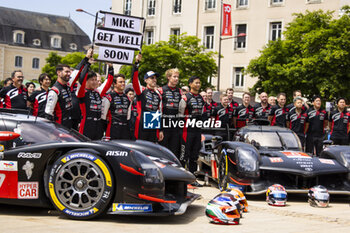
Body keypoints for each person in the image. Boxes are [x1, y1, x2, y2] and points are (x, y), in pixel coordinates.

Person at [76, 49, 114, 140]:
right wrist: (88, 63)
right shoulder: (81, 92)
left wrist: (111, 67)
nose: (95, 82)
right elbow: (81, 78)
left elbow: (108, 82)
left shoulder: (98, 92)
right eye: (92, 80)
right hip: (86, 125)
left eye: (95, 80)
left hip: (98, 125)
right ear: (86, 81)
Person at [45, 53, 87, 128]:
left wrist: (86, 59)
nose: (69, 74)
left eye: (69, 72)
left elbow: (76, 72)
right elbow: (48, 112)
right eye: (66, 72)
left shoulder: (67, 85)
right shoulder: (54, 91)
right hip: (59, 127)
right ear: (59, 73)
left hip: (69, 125)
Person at [179, 76, 205, 186]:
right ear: (190, 84)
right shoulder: (185, 98)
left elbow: (202, 113)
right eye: (196, 83)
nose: (198, 85)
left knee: (194, 156)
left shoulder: (201, 98)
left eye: (199, 83)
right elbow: (180, 114)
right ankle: (182, 179)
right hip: (187, 130)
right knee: (184, 156)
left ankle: (193, 179)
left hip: (197, 130)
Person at [132, 54, 163, 143]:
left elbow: (159, 112)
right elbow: (134, 80)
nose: (154, 80)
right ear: (146, 80)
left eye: (155, 78)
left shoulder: (158, 95)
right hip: (141, 125)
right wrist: (136, 64)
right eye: (152, 78)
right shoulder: (141, 90)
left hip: (153, 125)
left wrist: (160, 130)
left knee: (152, 150)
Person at [158, 68, 182, 158]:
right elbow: (158, 110)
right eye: (174, 77)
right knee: (163, 151)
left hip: (175, 126)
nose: (176, 79)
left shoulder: (179, 91)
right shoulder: (161, 90)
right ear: (168, 77)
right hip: (164, 125)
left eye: (177, 77)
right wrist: (160, 129)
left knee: (174, 151)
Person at [101, 74, 131, 140]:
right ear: (114, 84)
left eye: (124, 82)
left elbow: (128, 117)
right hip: (112, 129)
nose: (123, 84)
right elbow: (103, 117)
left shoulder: (128, 98)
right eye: (120, 82)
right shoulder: (109, 97)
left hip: (124, 129)